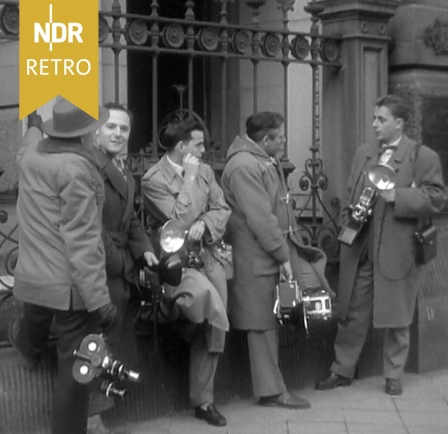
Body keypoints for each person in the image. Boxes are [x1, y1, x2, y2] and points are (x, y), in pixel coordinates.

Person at [315, 94, 447, 396]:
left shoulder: (421, 155)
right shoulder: (364, 153)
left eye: (381, 119)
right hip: (362, 248)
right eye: (374, 118)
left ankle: (393, 375)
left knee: (397, 315)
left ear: (398, 123)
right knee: (352, 312)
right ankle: (342, 370)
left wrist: (398, 197)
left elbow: (437, 198)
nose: (374, 124)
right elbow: (351, 192)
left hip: (397, 249)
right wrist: (352, 211)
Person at [11, 98, 117, 434]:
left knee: (35, 321)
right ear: (87, 134)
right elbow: (83, 242)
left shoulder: (30, 156)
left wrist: (35, 125)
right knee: (75, 371)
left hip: (31, 279)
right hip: (69, 289)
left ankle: (26, 349)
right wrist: (100, 301)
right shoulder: (77, 170)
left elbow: (29, 140)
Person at [221, 111, 333, 409]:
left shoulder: (256, 160)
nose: (283, 143)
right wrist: (284, 257)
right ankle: (272, 392)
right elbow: (261, 219)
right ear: (265, 138)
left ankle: (273, 388)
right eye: (280, 138)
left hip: (264, 254)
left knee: (269, 321)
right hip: (257, 257)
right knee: (261, 325)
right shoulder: (245, 165)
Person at [141, 117, 230, 427]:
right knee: (207, 307)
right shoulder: (154, 179)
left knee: (215, 323)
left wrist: (205, 223)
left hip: (205, 254)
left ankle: (204, 401)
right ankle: (180, 333)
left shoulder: (206, 171)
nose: (204, 150)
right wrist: (189, 180)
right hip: (174, 263)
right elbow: (176, 221)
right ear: (181, 147)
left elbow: (222, 208)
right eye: (198, 144)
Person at [86, 103, 159, 434]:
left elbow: (131, 221)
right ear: (97, 130)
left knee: (115, 338)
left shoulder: (123, 170)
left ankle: (105, 408)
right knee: (96, 340)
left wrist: (146, 252)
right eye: (111, 127)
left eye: (124, 128)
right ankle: (92, 417)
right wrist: (124, 263)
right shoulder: (90, 167)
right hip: (98, 267)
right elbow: (90, 229)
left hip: (119, 265)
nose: (117, 133)